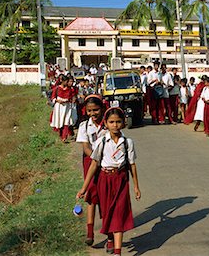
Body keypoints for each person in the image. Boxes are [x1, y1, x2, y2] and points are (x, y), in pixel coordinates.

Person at [77, 107, 141, 256]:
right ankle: (110, 237)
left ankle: (117, 252)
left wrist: (136, 187)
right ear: (106, 123)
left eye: (118, 122)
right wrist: (84, 188)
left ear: (124, 123)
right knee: (107, 212)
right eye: (112, 122)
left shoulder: (128, 143)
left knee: (119, 213)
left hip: (121, 180)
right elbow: (94, 164)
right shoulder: (101, 142)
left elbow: (132, 165)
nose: (115, 125)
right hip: (104, 180)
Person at [75, 95, 107, 246]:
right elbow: (86, 147)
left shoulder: (108, 124)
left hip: (107, 163)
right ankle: (90, 231)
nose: (93, 114)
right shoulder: (84, 126)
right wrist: (96, 158)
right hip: (90, 161)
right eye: (89, 111)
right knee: (92, 195)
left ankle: (110, 233)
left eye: (96, 110)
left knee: (106, 196)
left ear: (102, 108)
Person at [50, 75, 74, 142]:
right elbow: (53, 97)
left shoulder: (69, 89)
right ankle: (61, 135)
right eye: (66, 81)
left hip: (67, 107)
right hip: (59, 107)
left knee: (66, 121)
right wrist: (58, 101)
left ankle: (64, 137)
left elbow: (71, 98)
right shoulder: (57, 88)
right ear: (62, 81)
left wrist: (67, 100)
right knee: (60, 121)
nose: (67, 83)